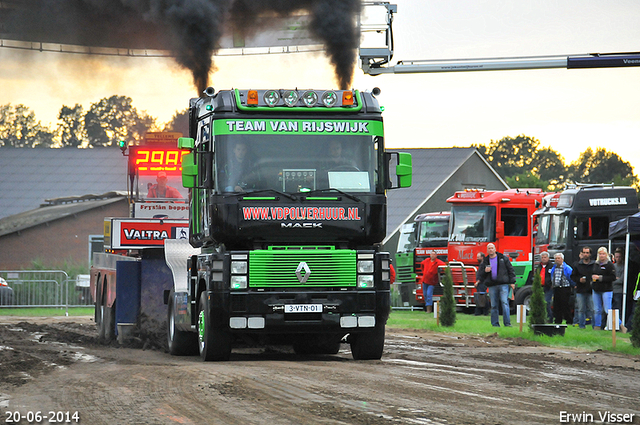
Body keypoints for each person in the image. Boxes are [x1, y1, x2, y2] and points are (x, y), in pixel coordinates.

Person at [478, 243, 516, 327]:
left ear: (495, 249)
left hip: (503, 284)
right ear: (487, 250)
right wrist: (485, 271)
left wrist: (512, 282)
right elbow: (480, 274)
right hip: (492, 285)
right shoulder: (485, 261)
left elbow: (511, 270)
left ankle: (507, 323)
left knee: (504, 303)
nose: (490, 250)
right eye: (489, 248)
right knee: (494, 305)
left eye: (492, 248)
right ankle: (495, 324)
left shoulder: (503, 258)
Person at [591, 246, 616, 331]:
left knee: (607, 309)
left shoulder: (609, 265)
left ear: (606, 255)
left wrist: (600, 278)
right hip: (596, 289)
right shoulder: (595, 264)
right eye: (600, 254)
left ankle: (618, 324)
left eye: (603, 254)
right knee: (596, 309)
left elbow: (613, 277)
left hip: (606, 289)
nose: (602, 256)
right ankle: (597, 326)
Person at [571, 246, 596, 329]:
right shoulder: (577, 265)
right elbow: (572, 276)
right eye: (584, 252)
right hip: (580, 290)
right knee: (581, 309)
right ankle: (581, 325)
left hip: (591, 290)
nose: (585, 254)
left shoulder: (594, 264)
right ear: (582, 253)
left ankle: (594, 326)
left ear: (590, 254)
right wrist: (579, 279)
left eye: (587, 253)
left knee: (593, 309)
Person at [549, 253, 575, 325]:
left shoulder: (567, 268)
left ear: (562, 259)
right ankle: (558, 320)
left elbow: (571, 277)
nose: (557, 260)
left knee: (565, 305)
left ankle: (569, 320)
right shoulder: (554, 268)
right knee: (556, 305)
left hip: (565, 288)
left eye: (558, 258)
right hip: (556, 288)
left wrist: (573, 285)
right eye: (556, 258)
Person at [611, 247, 628, 333]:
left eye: (620, 257)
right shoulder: (612, 266)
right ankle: (612, 325)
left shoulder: (624, 267)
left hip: (619, 291)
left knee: (618, 309)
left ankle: (620, 326)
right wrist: (614, 279)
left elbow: (622, 280)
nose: (618, 259)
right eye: (616, 257)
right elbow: (610, 278)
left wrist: (614, 280)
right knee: (610, 309)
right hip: (611, 290)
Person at [535, 251, 554, 323]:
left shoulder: (551, 266)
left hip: (549, 287)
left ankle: (550, 317)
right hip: (540, 287)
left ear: (548, 258)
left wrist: (551, 284)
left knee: (547, 302)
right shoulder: (539, 266)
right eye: (542, 257)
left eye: (545, 257)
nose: (543, 259)